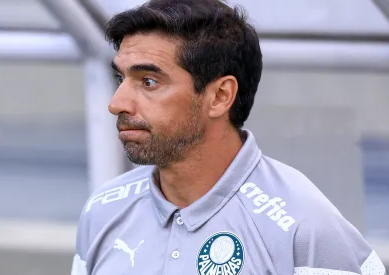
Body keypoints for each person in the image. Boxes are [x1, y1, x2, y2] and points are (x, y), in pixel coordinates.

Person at [71, 0, 386, 274]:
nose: (116, 103)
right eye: (121, 78)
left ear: (220, 96)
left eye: (149, 81)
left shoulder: (305, 226)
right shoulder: (103, 209)